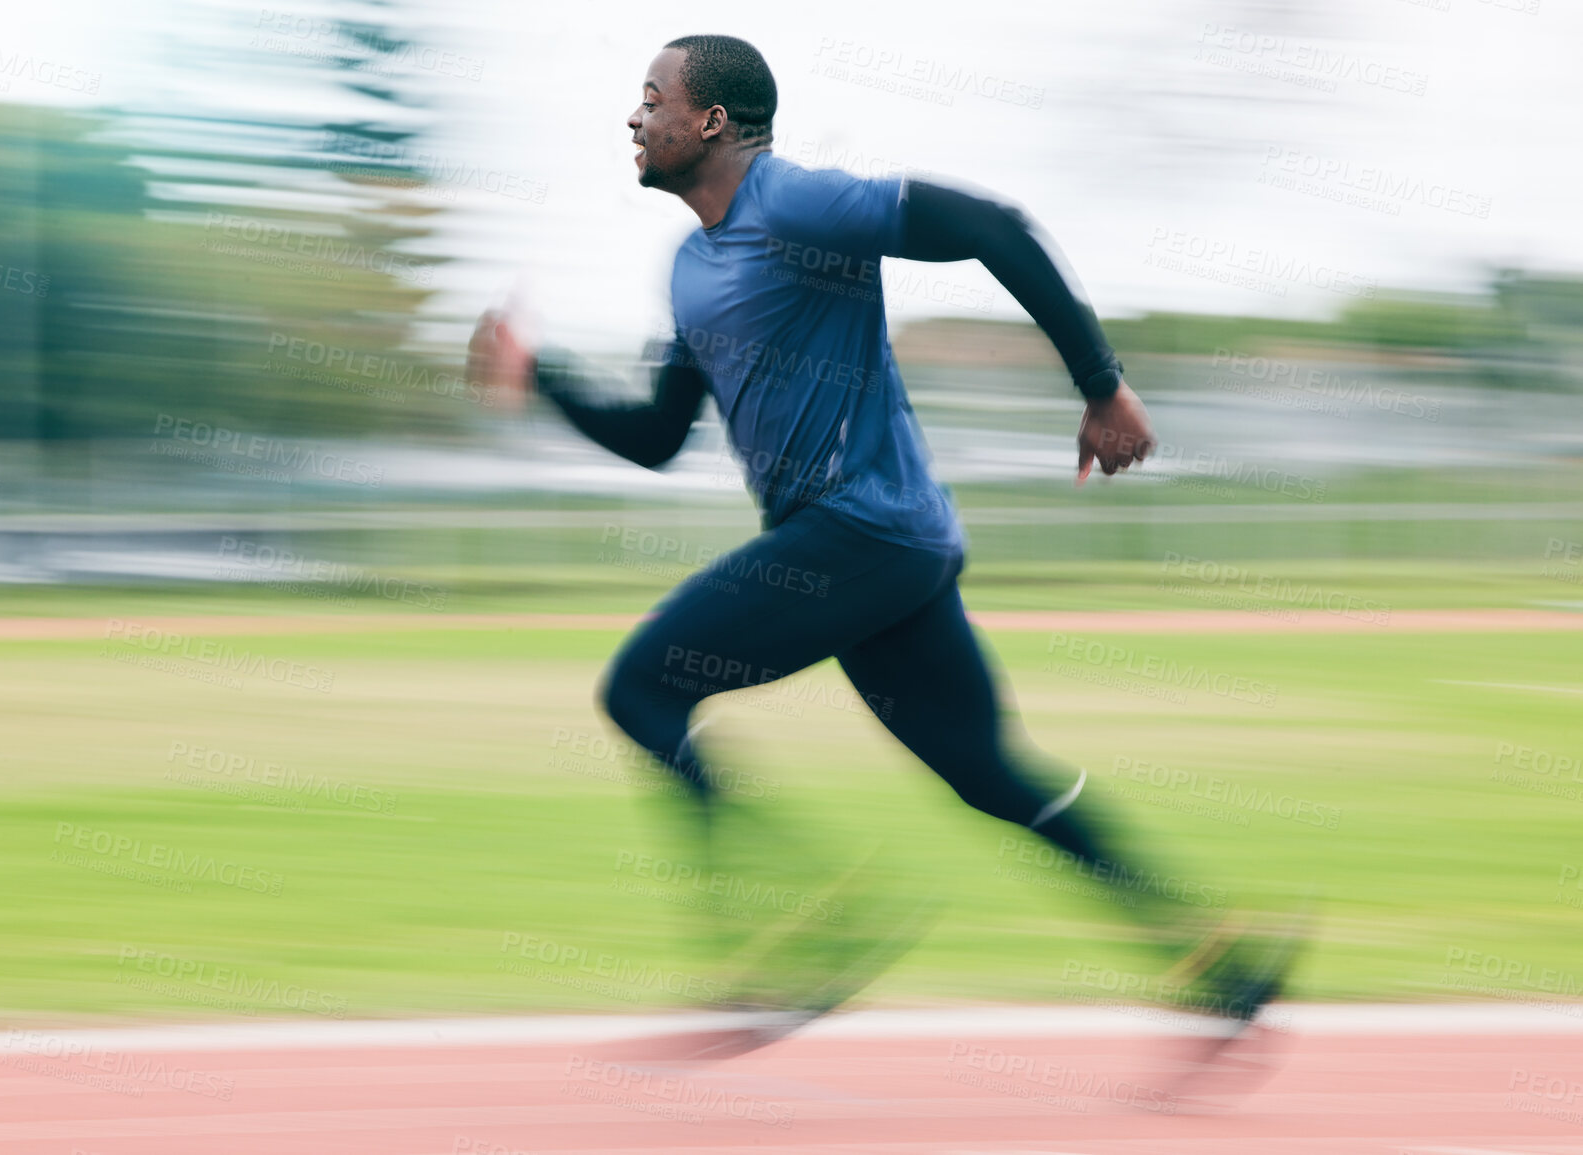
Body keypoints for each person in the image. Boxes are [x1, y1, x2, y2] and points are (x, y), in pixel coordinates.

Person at [468, 33, 1290, 1031]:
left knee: (642, 688)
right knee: (990, 777)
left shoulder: (798, 204)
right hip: (880, 548)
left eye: (653, 98)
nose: (634, 118)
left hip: (861, 532)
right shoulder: (689, 269)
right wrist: (541, 372)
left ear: (713, 121)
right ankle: (1222, 962)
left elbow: (994, 225)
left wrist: (1101, 383)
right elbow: (653, 437)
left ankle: (809, 929)